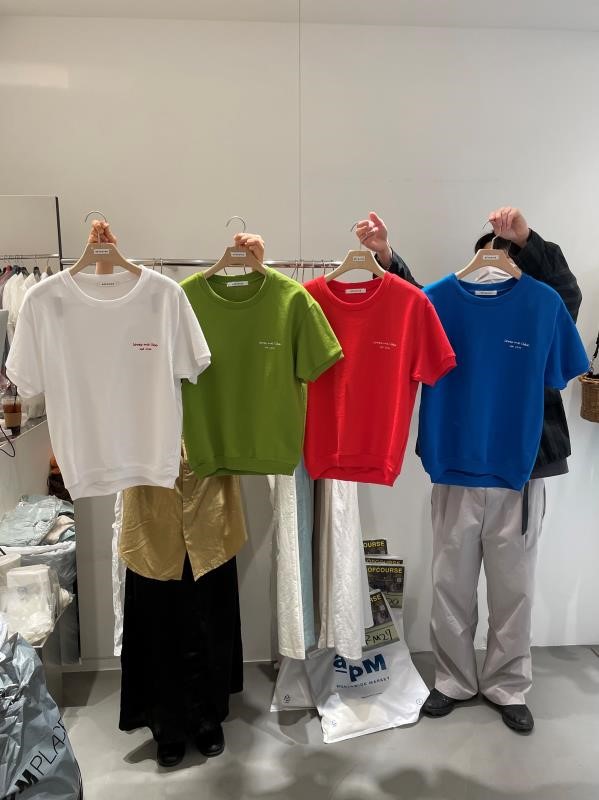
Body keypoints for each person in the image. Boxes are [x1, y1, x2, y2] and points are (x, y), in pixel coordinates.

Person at [355, 208, 583, 733]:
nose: (494, 268)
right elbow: (411, 307)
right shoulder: (440, 302)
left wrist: (526, 238)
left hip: (523, 466)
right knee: (450, 581)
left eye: (508, 260)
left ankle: (508, 684)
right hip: (454, 461)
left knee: (514, 586)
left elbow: (565, 295)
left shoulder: (544, 303)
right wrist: (385, 257)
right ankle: (453, 679)